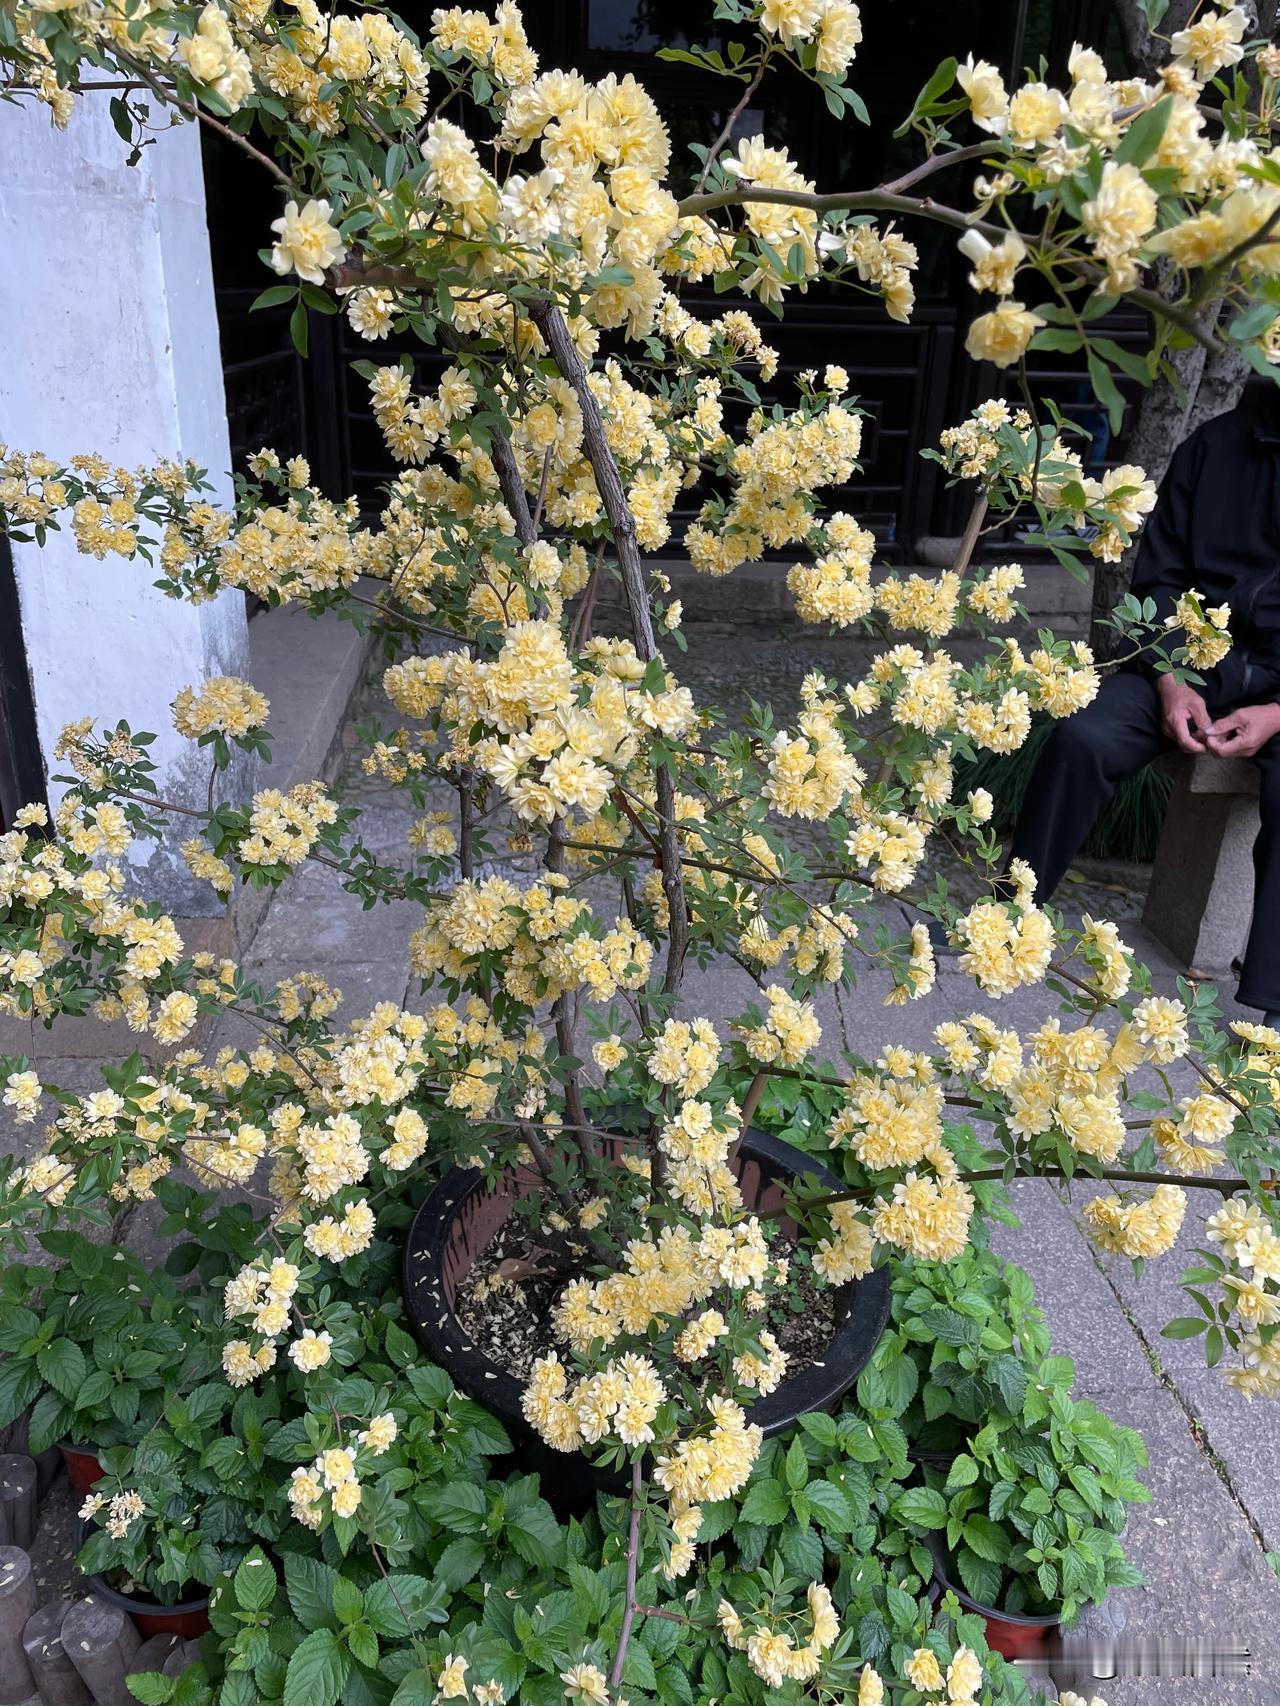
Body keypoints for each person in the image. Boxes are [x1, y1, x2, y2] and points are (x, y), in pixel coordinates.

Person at [1008, 379, 1280, 1023]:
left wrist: (1275, 714)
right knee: (1084, 738)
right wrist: (1169, 677)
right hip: (1189, 661)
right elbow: (1159, 576)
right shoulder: (1213, 447)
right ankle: (1006, 919)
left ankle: (1272, 1004)